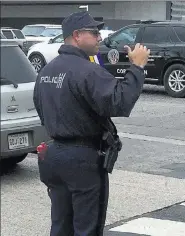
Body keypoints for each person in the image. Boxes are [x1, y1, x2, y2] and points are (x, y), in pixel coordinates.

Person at [33, 11, 150, 236]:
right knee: (87, 228)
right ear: (77, 35)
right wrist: (137, 68)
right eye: (94, 33)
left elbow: (41, 109)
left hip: (53, 154)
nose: (100, 38)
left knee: (60, 225)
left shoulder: (47, 71)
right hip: (82, 159)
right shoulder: (87, 70)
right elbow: (120, 103)